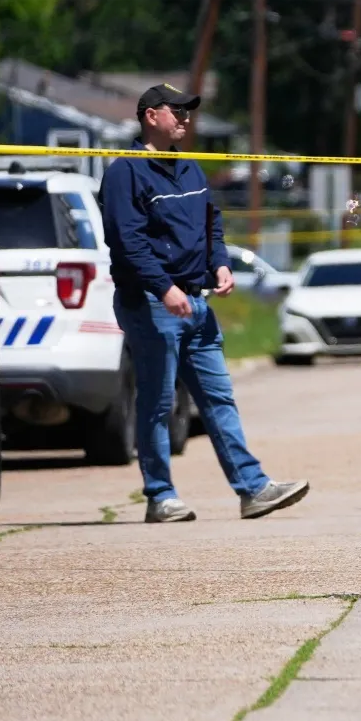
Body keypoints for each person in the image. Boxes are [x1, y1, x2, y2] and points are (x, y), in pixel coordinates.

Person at [101, 84, 309, 523]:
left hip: (196, 304)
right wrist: (164, 289)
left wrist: (220, 265)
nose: (185, 119)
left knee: (219, 400)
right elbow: (127, 243)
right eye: (177, 111)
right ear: (150, 115)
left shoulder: (191, 170)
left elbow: (212, 225)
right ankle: (160, 496)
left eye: (189, 113)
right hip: (152, 304)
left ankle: (253, 489)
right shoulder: (126, 172)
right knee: (158, 403)